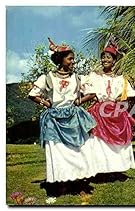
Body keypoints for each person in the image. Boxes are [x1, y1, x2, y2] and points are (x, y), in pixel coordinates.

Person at [28, 38, 97, 195]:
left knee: (78, 150)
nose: (73, 61)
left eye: (73, 58)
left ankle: (78, 183)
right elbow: (33, 94)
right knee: (59, 151)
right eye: (70, 58)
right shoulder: (47, 78)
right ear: (61, 59)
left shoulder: (77, 78)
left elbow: (92, 93)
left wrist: (78, 101)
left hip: (73, 117)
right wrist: (46, 104)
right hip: (54, 120)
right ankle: (62, 183)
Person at [82, 41, 135, 177]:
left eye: (108, 57)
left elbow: (128, 95)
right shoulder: (94, 77)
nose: (105, 60)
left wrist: (119, 99)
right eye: (103, 57)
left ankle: (116, 168)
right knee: (100, 141)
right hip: (99, 112)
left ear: (114, 61)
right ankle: (101, 170)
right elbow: (88, 91)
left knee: (116, 142)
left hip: (115, 111)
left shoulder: (120, 79)